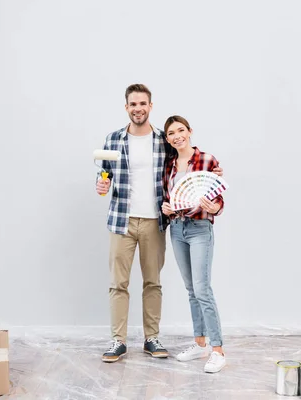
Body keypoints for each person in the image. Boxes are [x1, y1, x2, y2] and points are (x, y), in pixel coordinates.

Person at [95, 85, 222, 363]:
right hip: (121, 221)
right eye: (132, 104)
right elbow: (103, 176)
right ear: (126, 107)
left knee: (153, 282)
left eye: (142, 103)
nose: (137, 108)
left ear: (150, 106)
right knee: (119, 283)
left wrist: (212, 172)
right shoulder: (113, 139)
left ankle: (151, 338)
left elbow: (186, 161)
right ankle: (118, 340)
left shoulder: (164, 140)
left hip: (156, 221)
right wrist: (101, 185)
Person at [161, 115, 227, 373]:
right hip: (176, 229)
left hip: (200, 229)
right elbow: (168, 199)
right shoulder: (169, 165)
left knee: (202, 289)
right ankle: (200, 343)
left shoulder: (208, 160)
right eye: (171, 134)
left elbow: (219, 198)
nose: (177, 136)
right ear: (167, 139)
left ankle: (218, 350)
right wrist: (166, 208)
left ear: (189, 131)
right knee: (191, 289)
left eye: (180, 130)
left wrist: (215, 206)